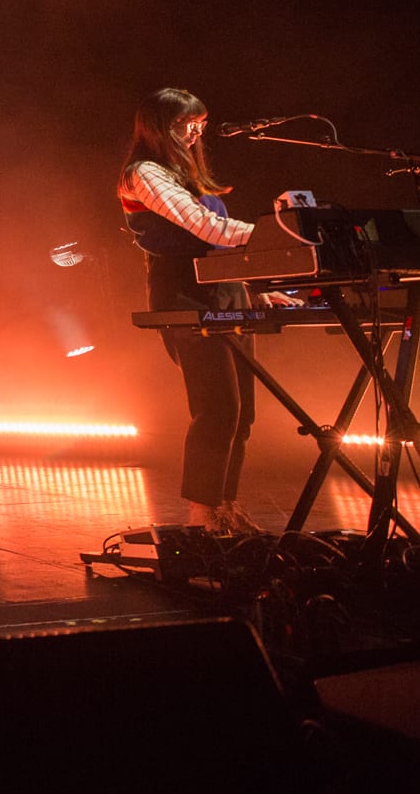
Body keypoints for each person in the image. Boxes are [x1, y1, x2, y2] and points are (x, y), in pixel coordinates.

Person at [117, 86, 263, 534]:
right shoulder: (143, 173)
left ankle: (224, 505)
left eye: (199, 123)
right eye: (185, 124)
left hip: (227, 294)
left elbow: (220, 243)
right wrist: (276, 236)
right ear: (159, 127)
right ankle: (202, 513)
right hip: (184, 295)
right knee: (216, 407)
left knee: (243, 415)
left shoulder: (193, 177)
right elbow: (203, 226)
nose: (196, 131)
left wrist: (258, 286)